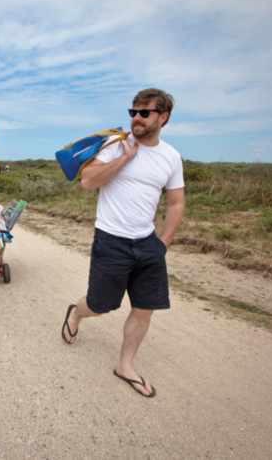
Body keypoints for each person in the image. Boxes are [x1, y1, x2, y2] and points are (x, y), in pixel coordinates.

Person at [61, 88, 185, 398]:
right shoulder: (116, 145)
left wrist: (164, 243)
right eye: (134, 112)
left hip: (147, 245)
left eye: (145, 113)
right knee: (100, 306)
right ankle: (76, 313)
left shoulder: (171, 156)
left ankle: (125, 366)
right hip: (111, 241)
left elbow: (176, 203)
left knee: (144, 309)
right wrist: (126, 158)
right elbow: (88, 181)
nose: (137, 118)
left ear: (163, 117)